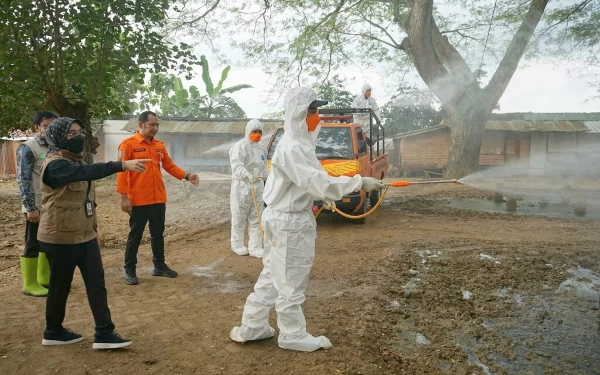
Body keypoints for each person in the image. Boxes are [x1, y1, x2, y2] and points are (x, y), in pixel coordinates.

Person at [230, 87, 384, 352]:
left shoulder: (298, 143)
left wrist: (320, 194)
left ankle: (253, 326)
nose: (317, 117)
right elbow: (318, 182)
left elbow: (308, 182)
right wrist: (360, 181)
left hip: (284, 217)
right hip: (289, 222)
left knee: (273, 274)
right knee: (290, 277)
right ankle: (292, 334)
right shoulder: (293, 147)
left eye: (317, 111)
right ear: (298, 113)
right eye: (312, 111)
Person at [38, 117, 149, 349]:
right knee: (60, 286)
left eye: (79, 132)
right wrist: (122, 165)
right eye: (71, 134)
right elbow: (87, 172)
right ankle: (53, 331)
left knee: (97, 284)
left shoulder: (75, 161)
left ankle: (104, 333)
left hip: (84, 234)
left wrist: (93, 228)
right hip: (59, 237)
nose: (78, 137)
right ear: (58, 137)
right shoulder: (55, 165)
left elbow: (84, 200)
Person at [117, 111, 199, 286]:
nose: (155, 128)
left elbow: (169, 165)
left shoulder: (159, 146)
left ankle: (159, 266)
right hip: (138, 200)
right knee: (135, 236)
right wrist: (124, 197)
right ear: (141, 125)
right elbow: (121, 172)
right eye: (151, 125)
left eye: (157, 125)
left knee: (157, 235)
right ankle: (130, 270)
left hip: (158, 198)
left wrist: (186, 175)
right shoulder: (128, 145)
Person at [16, 111, 57, 297]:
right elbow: (23, 180)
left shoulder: (55, 147)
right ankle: (29, 284)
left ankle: (44, 279)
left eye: (53, 127)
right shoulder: (28, 148)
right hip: (36, 204)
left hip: (52, 203)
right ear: (37, 127)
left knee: (47, 242)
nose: (49, 130)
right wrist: (30, 207)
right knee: (33, 242)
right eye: (46, 126)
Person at [229, 119, 268, 258]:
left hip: (257, 185)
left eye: (259, 132)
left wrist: (267, 178)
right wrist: (246, 174)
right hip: (241, 185)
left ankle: (255, 247)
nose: (257, 134)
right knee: (239, 216)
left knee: (257, 216)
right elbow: (236, 165)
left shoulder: (261, 148)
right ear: (248, 132)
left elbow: (263, 167)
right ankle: (237, 244)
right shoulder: (239, 147)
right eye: (254, 132)